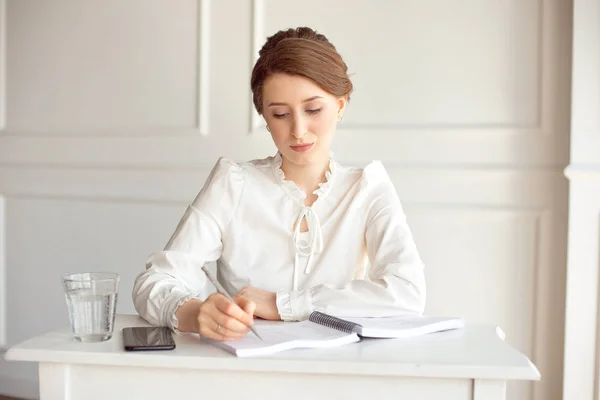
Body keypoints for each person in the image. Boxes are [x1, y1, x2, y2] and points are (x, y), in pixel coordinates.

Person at [132, 27, 426, 342]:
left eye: (313, 110)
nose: (298, 130)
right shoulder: (234, 183)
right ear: (265, 117)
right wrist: (193, 312)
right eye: (280, 114)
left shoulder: (368, 187)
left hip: (338, 370)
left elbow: (407, 293)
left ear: (340, 106)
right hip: (243, 369)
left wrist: (282, 304)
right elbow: (155, 282)